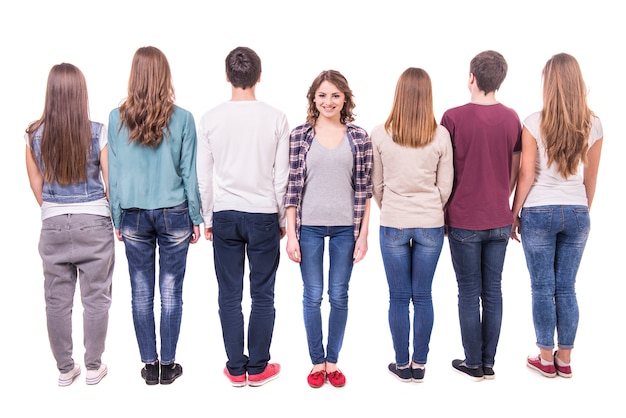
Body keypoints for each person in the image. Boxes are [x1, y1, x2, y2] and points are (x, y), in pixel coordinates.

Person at [108, 46, 202, 385]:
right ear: (165, 76)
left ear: (134, 75)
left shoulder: (116, 119)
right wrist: (195, 215)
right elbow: (189, 173)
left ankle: (149, 364)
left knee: (140, 289)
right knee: (171, 290)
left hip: (132, 213)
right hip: (175, 212)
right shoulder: (184, 118)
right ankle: (168, 365)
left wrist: (116, 217)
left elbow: (114, 175)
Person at [197, 46, 289, 387]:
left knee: (228, 294)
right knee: (263, 293)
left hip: (225, 214)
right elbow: (281, 176)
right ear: (259, 77)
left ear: (227, 76)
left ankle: (236, 368)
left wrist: (207, 218)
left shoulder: (210, 119)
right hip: (263, 213)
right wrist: (281, 219)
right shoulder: (276, 118)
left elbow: (203, 177)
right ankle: (259, 366)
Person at [511, 53, 603, 379]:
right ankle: (565, 361)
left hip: (538, 210)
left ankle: (545, 358)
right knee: (566, 287)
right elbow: (591, 180)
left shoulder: (534, 121)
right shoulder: (593, 124)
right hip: (578, 211)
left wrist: (513, 212)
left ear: (549, 84)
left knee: (541, 287)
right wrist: (580, 212)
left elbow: (525, 175)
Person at [25, 63, 114, 386]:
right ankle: (93, 366)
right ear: (81, 93)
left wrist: (59, 211)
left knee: (56, 300)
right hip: (94, 222)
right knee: (96, 298)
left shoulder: (33, 134)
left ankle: (65, 369)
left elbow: (38, 189)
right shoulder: (98, 131)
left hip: (53, 225)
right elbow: (110, 182)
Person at [285, 69, 372, 388]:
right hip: (308, 228)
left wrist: (362, 236)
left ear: (345, 98)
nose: (328, 101)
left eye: (335, 95)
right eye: (322, 95)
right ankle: (315, 362)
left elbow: (364, 190)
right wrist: (291, 233)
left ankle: (332, 361)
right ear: (313, 99)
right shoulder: (299, 136)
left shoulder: (359, 137)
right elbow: (292, 189)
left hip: (343, 230)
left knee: (338, 294)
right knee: (312, 295)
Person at [441, 50, 522, 381]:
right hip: (499, 217)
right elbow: (515, 169)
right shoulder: (512, 118)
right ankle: (488, 362)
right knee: (494, 291)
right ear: (499, 80)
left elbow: (444, 171)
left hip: (463, 218)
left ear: (472, 77)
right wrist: (502, 194)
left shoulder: (453, 117)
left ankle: (473, 362)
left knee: (467, 291)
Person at [371, 68, 454, 383]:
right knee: (423, 295)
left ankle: (402, 364)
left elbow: (376, 184)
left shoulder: (380, 133)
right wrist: (431, 207)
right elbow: (445, 186)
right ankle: (420, 364)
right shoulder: (441, 134)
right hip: (431, 223)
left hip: (393, 221)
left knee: (398, 296)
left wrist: (391, 206)